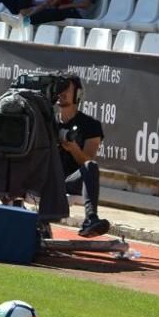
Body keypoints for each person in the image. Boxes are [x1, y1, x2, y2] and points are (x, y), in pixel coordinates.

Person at [55, 74, 112, 238]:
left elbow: (87, 160)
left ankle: (90, 219)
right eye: (59, 89)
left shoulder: (90, 125)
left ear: (78, 95)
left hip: (70, 182)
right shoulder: (48, 121)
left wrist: (73, 148)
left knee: (91, 166)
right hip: (47, 178)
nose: (61, 93)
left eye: (66, 89)